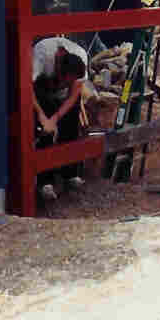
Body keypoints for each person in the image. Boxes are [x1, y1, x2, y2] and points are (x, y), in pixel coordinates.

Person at [32, 36, 91, 200]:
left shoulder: (81, 56)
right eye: (64, 81)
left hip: (64, 96)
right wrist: (42, 116)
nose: (65, 84)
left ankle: (70, 173)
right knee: (44, 133)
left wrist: (56, 117)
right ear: (58, 68)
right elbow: (26, 88)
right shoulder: (41, 54)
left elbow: (73, 95)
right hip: (42, 91)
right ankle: (45, 182)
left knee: (70, 127)